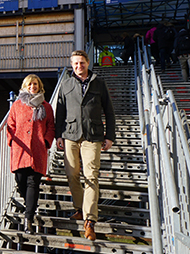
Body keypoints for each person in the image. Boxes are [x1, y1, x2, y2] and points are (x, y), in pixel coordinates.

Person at [55, 50, 115, 241]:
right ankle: (79, 208)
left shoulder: (99, 83)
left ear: (88, 63)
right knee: (72, 174)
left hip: (93, 135)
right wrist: (58, 135)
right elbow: (60, 113)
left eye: (82, 63)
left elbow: (109, 112)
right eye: (75, 64)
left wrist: (110, 136)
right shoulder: (65, 84)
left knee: (91, 175)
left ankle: (89, 220)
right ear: (71, 65)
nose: (79, 66)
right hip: (71, 135)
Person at [6, 74, 55, 234]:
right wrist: (12, 141)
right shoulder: (17, 105)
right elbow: (10, 124)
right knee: (20, 180)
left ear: (39, 86)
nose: (32, 87)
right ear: (25, 86)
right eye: (29, 84)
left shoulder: (46, 106)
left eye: (35, 84)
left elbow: (51, 126)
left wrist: (46, 142)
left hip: (38, 150)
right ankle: (31, 205)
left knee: (32, 183)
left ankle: (29, 220)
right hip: (20, 150)